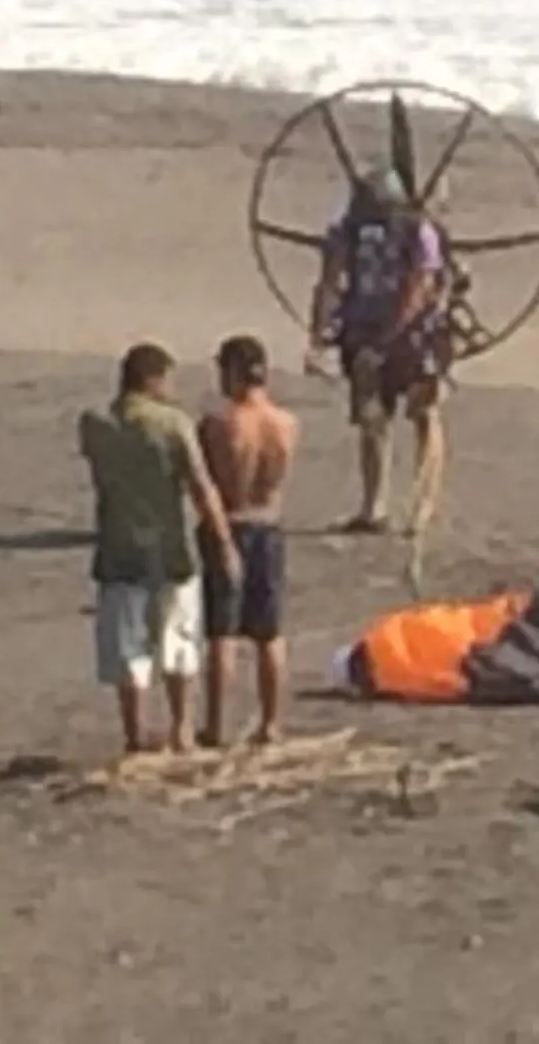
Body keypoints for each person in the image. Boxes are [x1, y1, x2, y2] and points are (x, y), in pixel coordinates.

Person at [77, 342, 239, 758]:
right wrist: (223, 544)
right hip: (170, 545)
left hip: (118, 546)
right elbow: (201, 487)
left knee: (128, 646)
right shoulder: (172, 423)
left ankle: (136, 731)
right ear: (153, 379)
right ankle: (181, 728)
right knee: (179, 641)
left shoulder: (95, 423)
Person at [304, 166, 453, 534]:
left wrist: (391, 330)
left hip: (405, 336)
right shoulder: (355, 232)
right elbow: (329, 282)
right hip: (376, 335)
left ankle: (416, 508)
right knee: (376, 418)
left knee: (419, 414)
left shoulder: (413, 232)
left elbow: (421, 283)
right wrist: (319, 334)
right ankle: (378, 508)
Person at [195, 334, 300, 748]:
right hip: (269, 524)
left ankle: (217, 726)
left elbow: (204, 481)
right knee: (269, 633)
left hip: (231, 522)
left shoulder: (220, 424)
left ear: (233, 372)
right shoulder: (287, 424)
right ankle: (271, 723)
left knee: (222, 633)